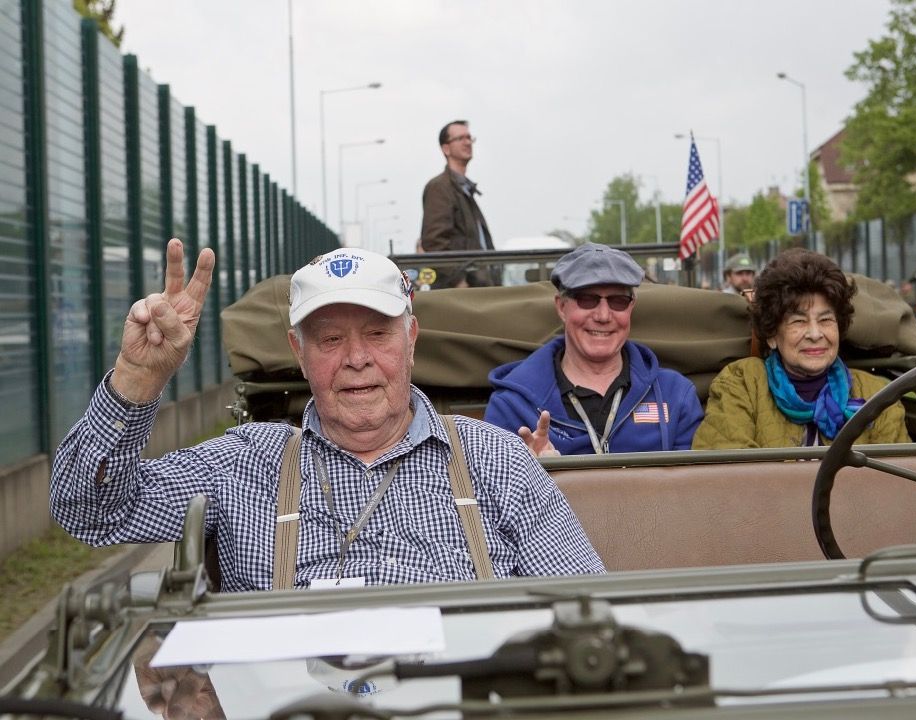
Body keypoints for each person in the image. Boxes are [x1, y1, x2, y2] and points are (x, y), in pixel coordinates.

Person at [50, 240, 603, 591]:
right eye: (331, 339)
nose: (357, 358)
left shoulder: (497, 459)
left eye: (378, 334)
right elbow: (87, 512)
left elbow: (587, 605)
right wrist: (137, 378)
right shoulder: (245, 463)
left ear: (411, 339)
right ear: (299, 351)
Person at [484, 242, 703, 456]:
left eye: (618, 301)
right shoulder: (512, 405)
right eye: (587, 300)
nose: (603, 316)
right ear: (561, 307)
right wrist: (534, 472)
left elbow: (696, 478)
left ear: (631, 307)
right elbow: (493, 479)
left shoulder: (676, 396)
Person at [692, 248, 910, 449]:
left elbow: (894, 473)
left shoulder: (877, 395)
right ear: (772, 335)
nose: (815, 334)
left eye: (825, 320)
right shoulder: (742, 383)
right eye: (798, 321)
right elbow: (730, 470)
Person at [419, 120, 496, 288]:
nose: (467, 142)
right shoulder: (440, 187)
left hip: (478, 286)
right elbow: (434, 242)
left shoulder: (464, 189)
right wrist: (459, 282)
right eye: (460, 138)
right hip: (464, 291)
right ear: (446, 148)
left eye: (469, 137)